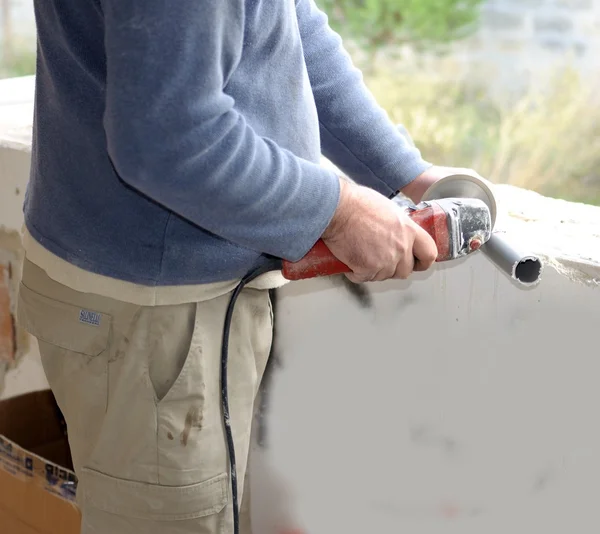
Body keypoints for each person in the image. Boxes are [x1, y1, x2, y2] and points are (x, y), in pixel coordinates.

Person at [16, 1, 479, 533]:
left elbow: (285, 26)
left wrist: (404, 173)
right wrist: (339, 212)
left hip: (155, 295)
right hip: (153, 317)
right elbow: (169, 142)